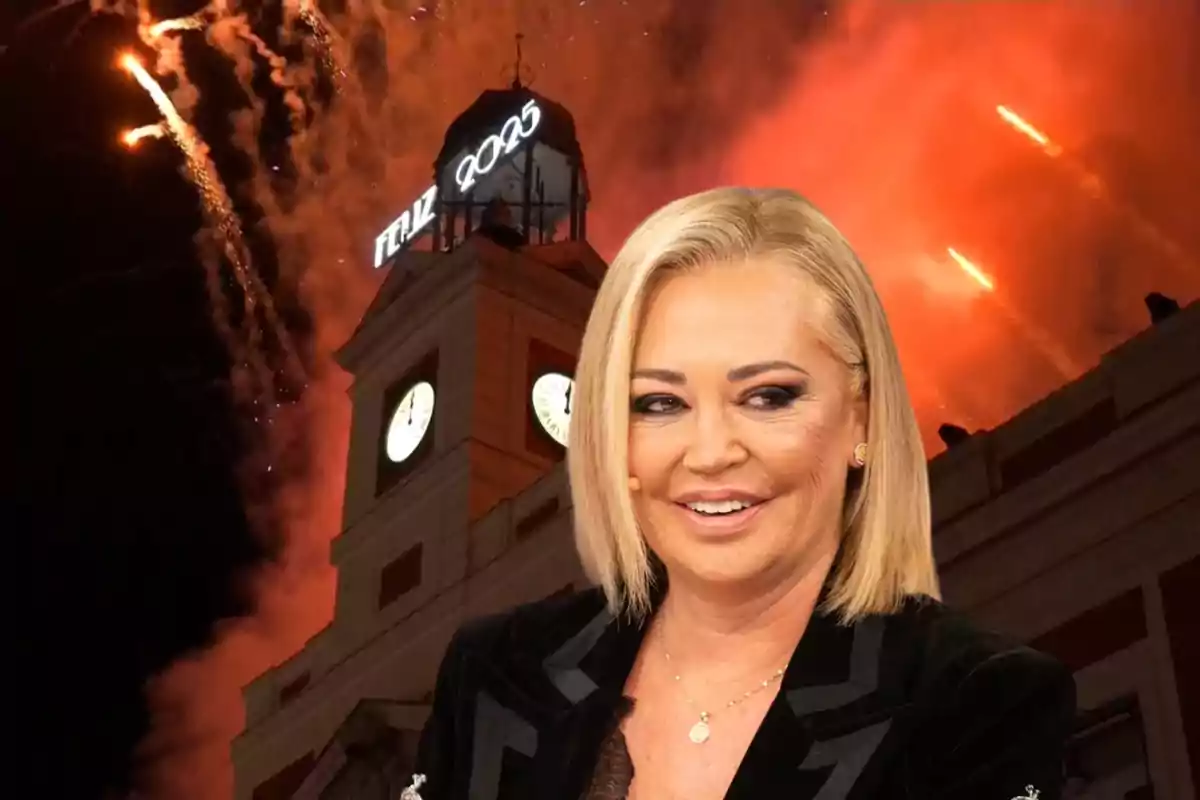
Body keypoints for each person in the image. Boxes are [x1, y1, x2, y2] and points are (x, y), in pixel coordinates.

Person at [409, 187, 1076, 799]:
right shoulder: (493, 676)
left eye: (767, 396)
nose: (710, 453)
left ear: (862, 420)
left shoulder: (977, 704)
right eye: (661, 402)